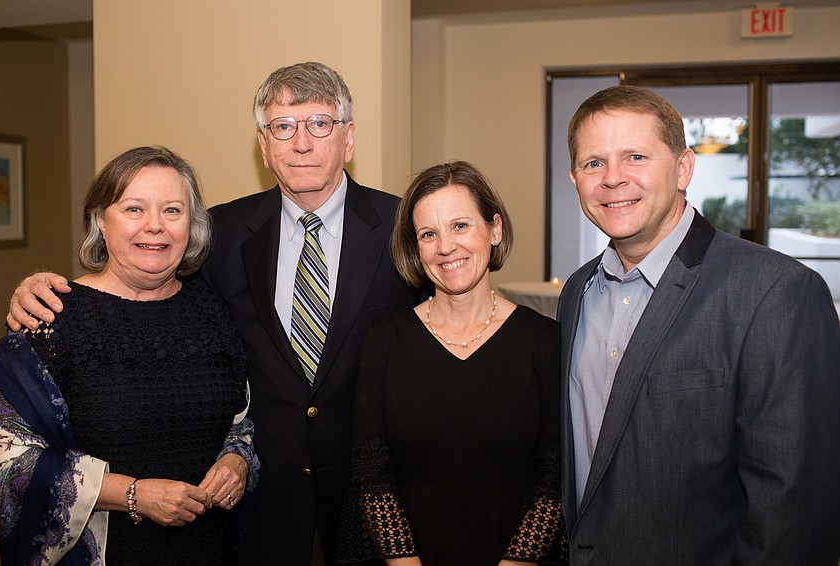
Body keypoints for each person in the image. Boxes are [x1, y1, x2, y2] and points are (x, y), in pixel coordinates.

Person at [5, 62, 419, 565]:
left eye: (319, 124)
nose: (301, 143)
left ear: (348, 139)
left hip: (378, 504)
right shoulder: (220, 235)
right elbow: (136, 279)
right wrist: (36, 288)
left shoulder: (409, 228)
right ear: (263, 145)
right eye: (283, 127)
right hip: (259, 520)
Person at [557, 85, 840, 565]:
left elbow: (793, 510)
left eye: (636, 156)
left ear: (684, 167)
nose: (613, 179)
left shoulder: (777, 292)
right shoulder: (577, 292)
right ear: (575, 178)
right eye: (593, 163)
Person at [0, 146, 259, 565]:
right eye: (134, 209)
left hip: (213, 549)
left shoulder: (214, 310)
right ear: (101, 220)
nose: (155, 227)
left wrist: (236, 459)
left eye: (172, 211)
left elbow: (241, 420)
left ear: (192, 225)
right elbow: (8, 462)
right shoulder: (49, 318)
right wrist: (132, 493)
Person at [337, 161, 568, 566]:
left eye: (460, 226)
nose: (446, 247)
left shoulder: (545, 341)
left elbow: (554, 479)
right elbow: (371, 473)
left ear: (494, 229)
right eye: (429, 234)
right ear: (416, 247)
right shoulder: (384, 339)